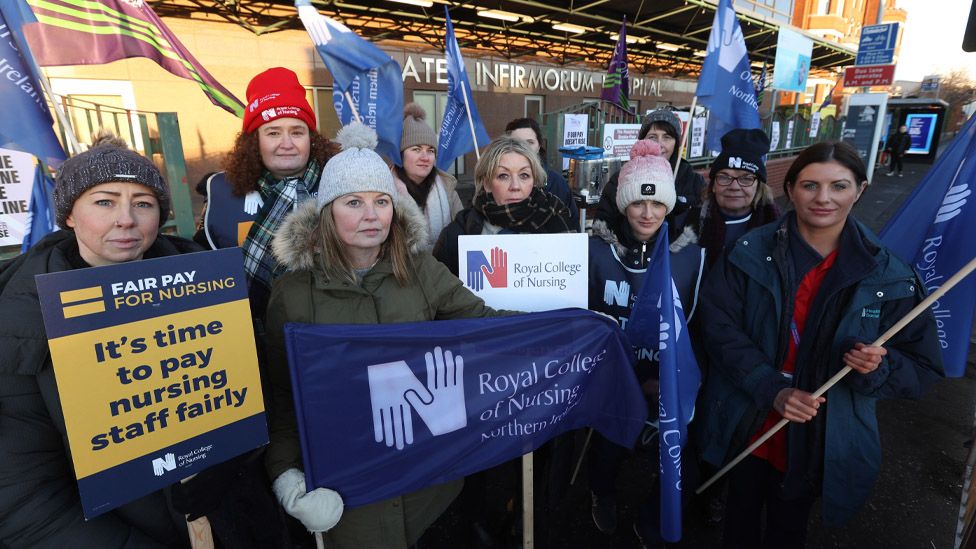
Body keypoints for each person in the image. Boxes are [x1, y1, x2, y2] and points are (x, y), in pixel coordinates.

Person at [263, 122, 505, 549]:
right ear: (327, 211)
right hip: (350, 499)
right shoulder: (293, 294)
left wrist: (574, 324)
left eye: (381, 201)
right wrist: (288, 477)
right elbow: (283, 399)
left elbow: (486, 324)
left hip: (431, 489)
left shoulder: (421, 270)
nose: (371, 215)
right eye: (354, 202)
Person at [696, 141, 944, 548]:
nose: (824, 198)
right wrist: (768, 386)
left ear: (860, 190)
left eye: (839, 186)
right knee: (738, 522)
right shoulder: (747, 252)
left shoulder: (891, 275)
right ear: (790, 189)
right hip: (748, 419)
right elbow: (719, 327)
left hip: (820, 435)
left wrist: (877, 368)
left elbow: (921, 365)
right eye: (810, 185)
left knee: (788, 528)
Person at [0, 134, 194, 547]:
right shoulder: (21, 318)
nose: (126, 219)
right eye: (105, 202)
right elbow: (23, 498)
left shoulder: (205, 286)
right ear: (70, 215)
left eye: (143, 203)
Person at [586, 138, 705, 546]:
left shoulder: (691, 256)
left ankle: (654, 517)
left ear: (669, 205)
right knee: (608, 446)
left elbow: (695, 328)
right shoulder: (594, 251)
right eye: (638, 203)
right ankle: (601, 491)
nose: (648, 212)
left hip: (665, 378)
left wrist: (661, 379)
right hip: (610, 376)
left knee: (680, 461)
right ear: (623, 204)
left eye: (657, 204)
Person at [197, 66, 339, 313]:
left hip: (329, 325)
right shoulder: (221, 192)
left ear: (311, 139)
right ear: (254, 141)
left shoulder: (340, 183)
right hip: (251, 331)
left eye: (297, 132)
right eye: (273, 133)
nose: (287, 144)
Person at [433, 136, 575, 275]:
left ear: (534, 180)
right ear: (487, 183)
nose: (515, 186)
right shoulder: (455, 236)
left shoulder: (556, 220)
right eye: (503, 176)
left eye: (524, 175)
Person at [670, 128, 780, 271]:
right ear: (713, 185)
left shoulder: (778, 232)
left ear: (759, 186)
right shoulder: (682, 225)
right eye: (724, 177)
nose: (734, 186)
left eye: (746, 178)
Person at [596, 108, 706, 238]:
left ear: (676, 143)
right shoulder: (623, 178)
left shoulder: (692, 180)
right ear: (642, 141)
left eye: (667, 137)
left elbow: (699, 228)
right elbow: (603, 224)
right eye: (652, 137)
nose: (659, 144)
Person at [392, 103, 464, 250]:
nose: (425, 157)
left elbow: (463, 234)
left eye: (430, 150)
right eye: (416, 149)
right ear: (401, 154)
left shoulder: (447, 188)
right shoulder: (386, 190)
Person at [504, 117, 580, 230]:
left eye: (530, 142)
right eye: (517, 143)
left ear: (539, 146)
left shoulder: (557, 184)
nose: (524, 148)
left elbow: (573, 228)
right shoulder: (496, 183)